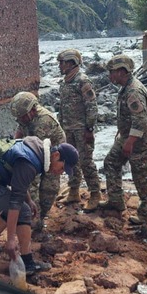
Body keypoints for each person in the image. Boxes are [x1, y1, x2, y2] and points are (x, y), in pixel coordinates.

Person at [0, 136, 78, 275]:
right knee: (23, 211)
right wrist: (11, 240)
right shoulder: (30, 163)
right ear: (56, 155)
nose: (60, 173)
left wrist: (29, 200)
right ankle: (28, 262)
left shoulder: (37, 147)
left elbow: (18, 179)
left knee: (18, 207)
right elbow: (15, 200)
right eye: (62, 168)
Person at [101, 54, 147, 227]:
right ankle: (116, 201)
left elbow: (141, 120)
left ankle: (145, 216)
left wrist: (130, 143)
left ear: (122, 71)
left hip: (138, 141)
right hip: (126, 137)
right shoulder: (125, 88)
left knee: (141, 178)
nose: (110, 76)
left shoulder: (133, 91)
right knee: (110, 162)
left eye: (112, 72)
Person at [10, 91, 66, 232]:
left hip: (54, 157)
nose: (20, 119)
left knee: (49, 188)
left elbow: (38, 151)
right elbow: (20, 131)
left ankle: (39, 218)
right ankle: (32, 219)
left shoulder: (44, 121)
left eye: (22, 116)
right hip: (37, 152)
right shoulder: (25, 117)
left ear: (32, 110)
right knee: (29, 183)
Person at [57, 49, 102, 211]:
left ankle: (95, 194)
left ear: (71, 63)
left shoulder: (83, 81)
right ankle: (74, 190)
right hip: (68, 128)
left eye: (62, 62)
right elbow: (62, 107)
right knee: (70, 160)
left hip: (82, 130)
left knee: (86, 161)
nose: (60, 66)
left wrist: (89, 128)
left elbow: (92, 106)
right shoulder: (65, 82)